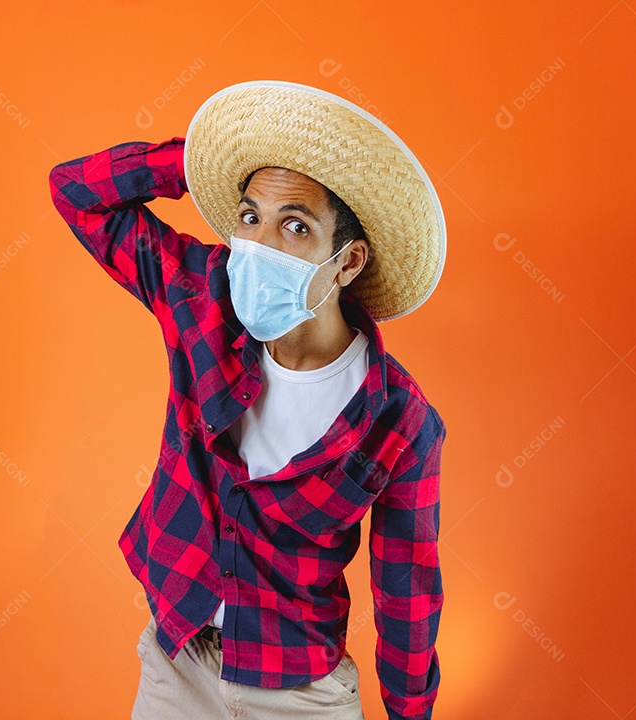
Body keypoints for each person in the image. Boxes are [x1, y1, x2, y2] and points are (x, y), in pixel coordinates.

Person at [48, 80, 448, 720]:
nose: (259, 245)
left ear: (348, 263)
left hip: (299, 690)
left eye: (295, 226)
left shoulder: (399, 421)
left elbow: (406, 593)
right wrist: (193, 159)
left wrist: (411, 715)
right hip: (178, 665)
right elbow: (75, 193)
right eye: (248, 216)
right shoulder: (201, 299)